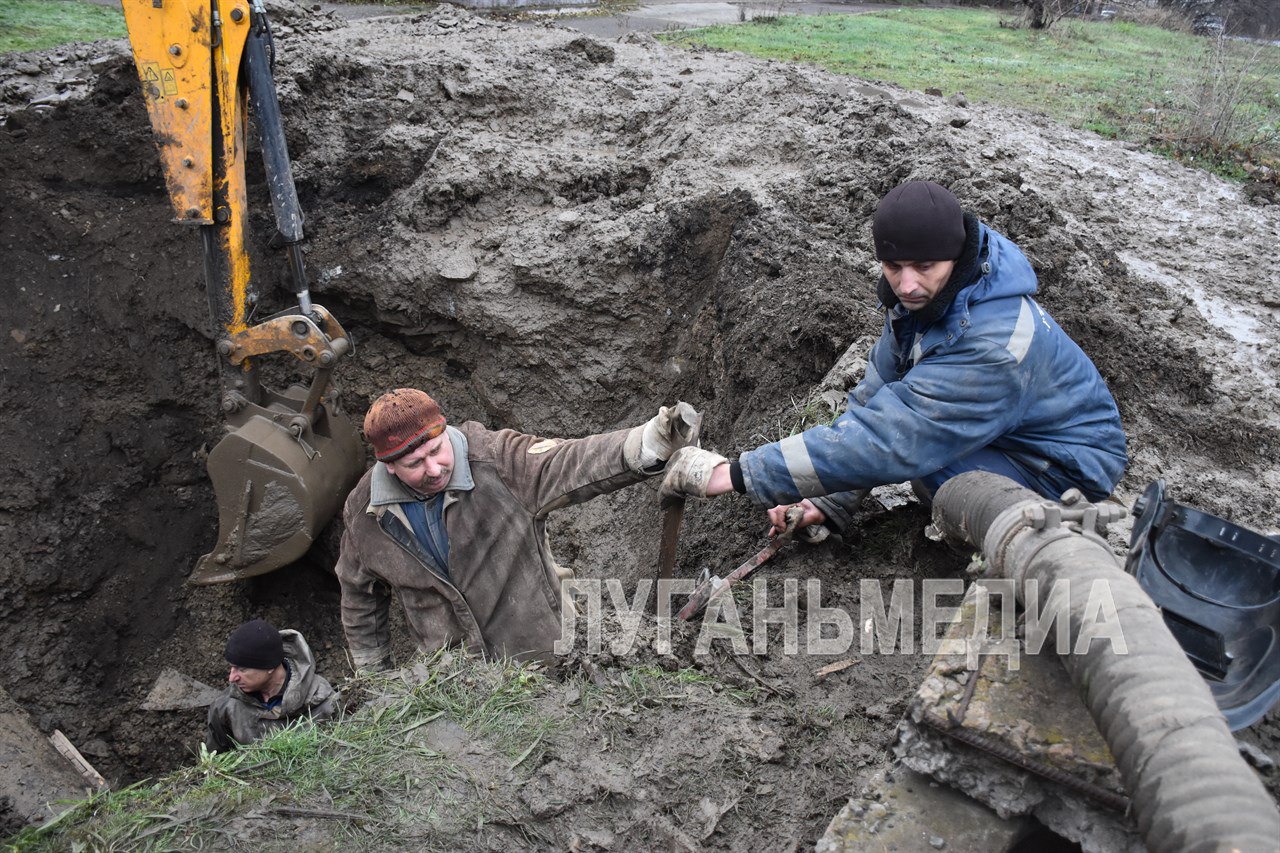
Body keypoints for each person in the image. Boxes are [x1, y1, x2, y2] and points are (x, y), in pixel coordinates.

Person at [660, 180, 1128, 537]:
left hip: (1062, 470)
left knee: (936, 479)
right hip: (1013, 436)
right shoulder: (928, 302)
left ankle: (1054, 535)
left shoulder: (994, 344)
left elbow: (894, 437)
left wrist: (738, 473)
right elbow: (874, 401)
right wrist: (833, 500)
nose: (906, 285)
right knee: (916, 459)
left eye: (924, 266)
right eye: (893, 267)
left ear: (956, 255)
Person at [336, 389, 698, 669]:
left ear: (446, 431)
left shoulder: (499, 461)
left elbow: (569, 461)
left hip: (546, 663)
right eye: (415, 463)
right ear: (389, 467)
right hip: (456, 688)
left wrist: (651, 442)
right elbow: (358, 596)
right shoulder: (366, 512)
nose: (433, 469)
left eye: (437, 450)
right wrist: (374, 677)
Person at [205, 619, 338, 752]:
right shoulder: (225, 706)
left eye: (242, 669)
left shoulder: (323, 701)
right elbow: (216, 761)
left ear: (270, 666)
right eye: (232, 668)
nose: (232, 678)